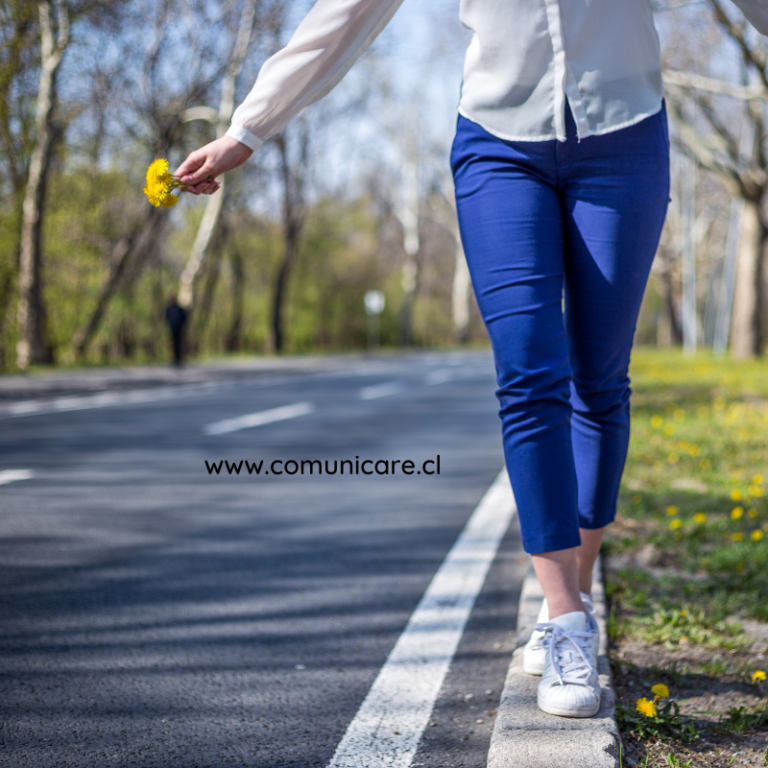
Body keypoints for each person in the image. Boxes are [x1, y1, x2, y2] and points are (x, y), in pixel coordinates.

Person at [175, 0, 768, 720]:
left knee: (600, 379)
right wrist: (249, 127)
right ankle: (568, 616)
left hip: (625, 134)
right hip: (498, 145)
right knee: (527, 374)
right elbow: (348, 12)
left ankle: (570, 599)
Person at [165, 296, 187, 367]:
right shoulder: (169, 309)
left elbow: (184, 318)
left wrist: (183, 327)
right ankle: (173, 359)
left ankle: (180, 359)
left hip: (180, 329)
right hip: (172, 329)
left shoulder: (180, 310)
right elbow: (167, 318)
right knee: (172, 344)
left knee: (179, 344)